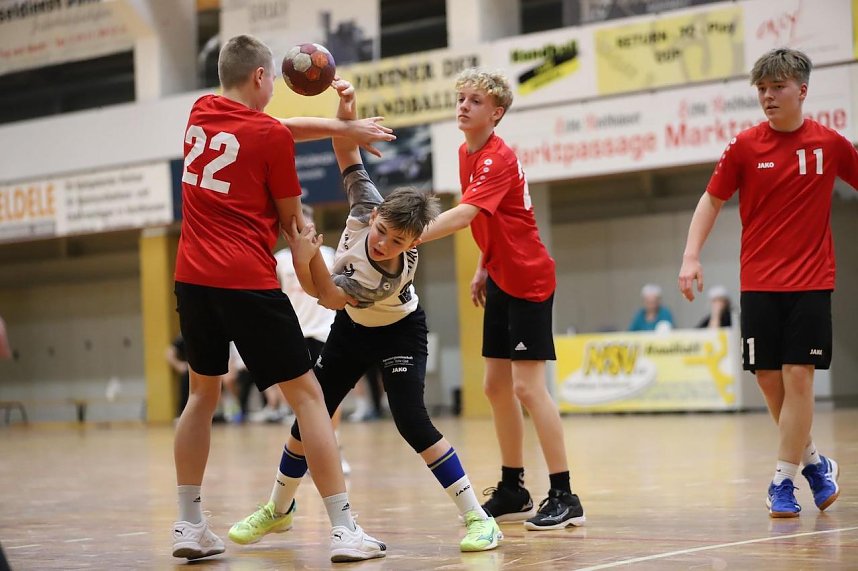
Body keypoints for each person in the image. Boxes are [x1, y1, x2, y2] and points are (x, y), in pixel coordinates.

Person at [228, 77, 502, 553]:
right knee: (308, 418)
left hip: (398, 332)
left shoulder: (383, 276)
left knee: (412, 421)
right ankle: (279, 509)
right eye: (381, 232)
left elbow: (328, 296)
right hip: (353, 330)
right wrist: (346, 106)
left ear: (412, 244)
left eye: (397, 242)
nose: (383, 243)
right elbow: (346, 152)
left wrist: (305, 255)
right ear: (376, 214)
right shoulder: (370, 205)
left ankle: (479, 520)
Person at [171, 35, 389, 562]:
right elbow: (295, 226)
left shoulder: (200, 111)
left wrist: (340, 128)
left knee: (201, 396)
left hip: (192, 278)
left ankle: (188, 524)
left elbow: (277, 128)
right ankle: (342, 528)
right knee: (309, 397)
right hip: (246, 280)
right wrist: (324, 280)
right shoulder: (268, 137)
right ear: (264, 78)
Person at [678, 48, 854, 518]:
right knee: (769, 379)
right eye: (761, 89)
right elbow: (710, 202)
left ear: (802, 90)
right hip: (758, 283)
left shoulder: (831, 145)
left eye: (777, 87)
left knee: (799, 377)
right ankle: (816, 465)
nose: (768, 97)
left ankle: (782, 481)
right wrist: (691, 256)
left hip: (812, 281)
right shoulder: (744, 147)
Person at [419, 68, 586, 530]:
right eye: (461, 98)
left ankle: (565, 494)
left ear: (496, 113)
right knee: (494, 386)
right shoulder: (464, 152)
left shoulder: (496, 158)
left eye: (475, 101)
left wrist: (406, 237)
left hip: (529, 280)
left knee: (529, 388)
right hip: (501, 277)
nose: (464, 106)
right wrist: (482, 266)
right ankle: (513, 488)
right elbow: (492, 220)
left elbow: (466, 213)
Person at [274, 207, 351, 474]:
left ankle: (335, 449)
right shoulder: (280, 260)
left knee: (331, 397)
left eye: (307, 225)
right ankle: (307, 453)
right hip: (292, 335)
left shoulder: (330, 256)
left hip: (325, 332)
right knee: (302, 400)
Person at [165, 335, 190, 417]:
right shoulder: (183, 336)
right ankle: (182, 416)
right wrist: (179, 365)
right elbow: (169, 352)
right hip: (190, 372)